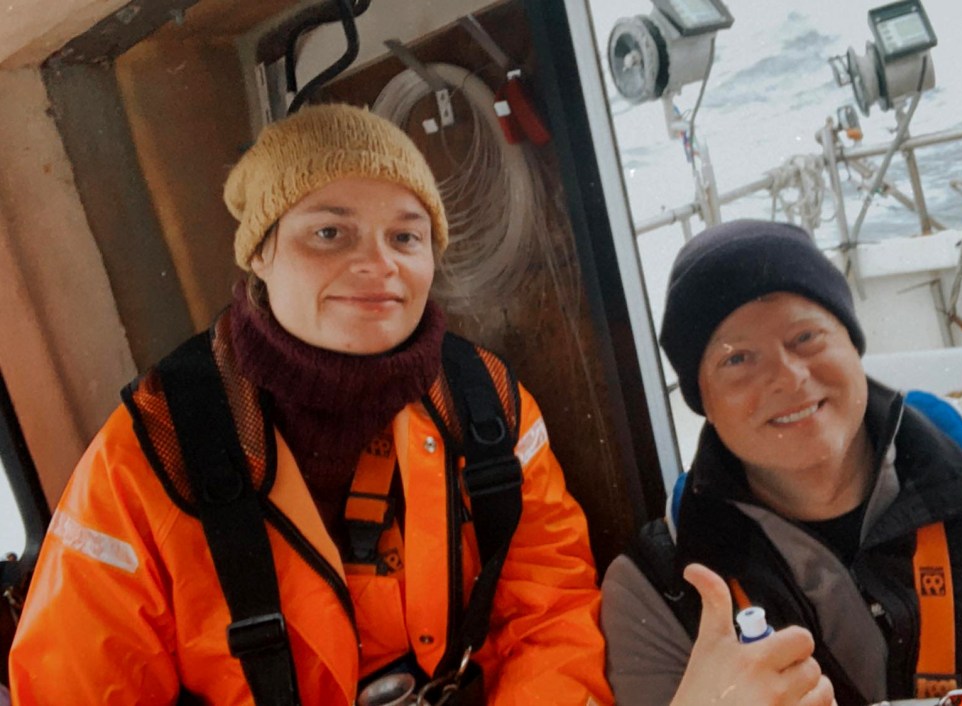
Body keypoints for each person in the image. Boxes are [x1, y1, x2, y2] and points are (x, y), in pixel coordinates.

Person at [8, 104, 612, 705]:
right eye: (330, 233)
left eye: (405, 236)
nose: (379, 264)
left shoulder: (486, 404)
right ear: (260, 253)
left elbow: (551, 613)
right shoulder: (145, 461)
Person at [601, 219, 962, 706]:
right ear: (702, 398)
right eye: (737, 359)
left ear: (851, 343)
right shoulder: (658, 589)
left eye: (806, 337)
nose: (788, 377)